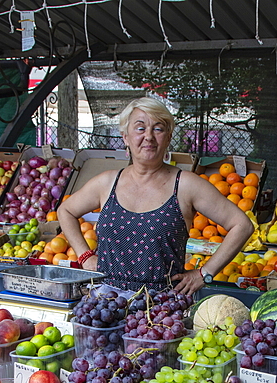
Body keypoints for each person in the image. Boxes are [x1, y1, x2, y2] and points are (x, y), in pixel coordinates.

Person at [57, 97, 253, 296]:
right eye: (140, 128)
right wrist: (85, 256)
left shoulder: (186, 185)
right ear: (125, 137)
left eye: (158, 129)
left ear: (168, 138)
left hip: (161, 311)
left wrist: (205, 274)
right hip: (106, 304)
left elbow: (242, 225)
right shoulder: (107, 183)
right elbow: (65, 210)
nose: (149, 136)